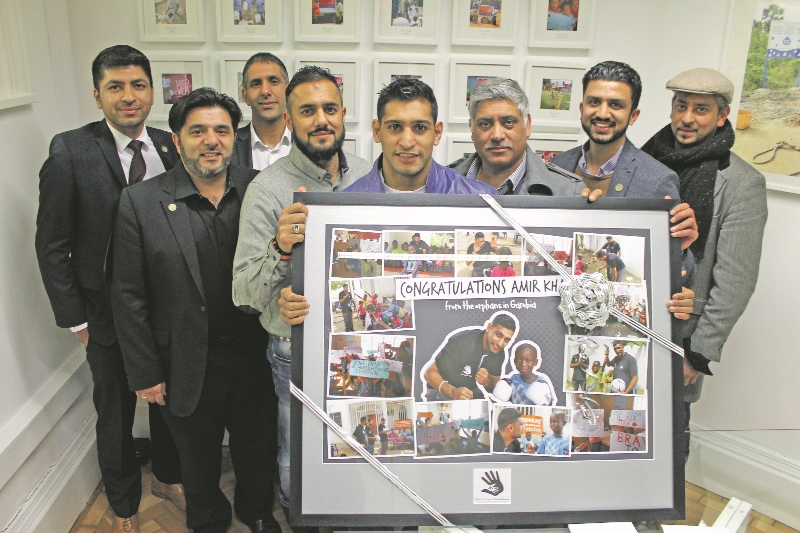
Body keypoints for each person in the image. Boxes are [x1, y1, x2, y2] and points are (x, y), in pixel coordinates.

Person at [111, 88, 279, 533]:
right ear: (176, 138)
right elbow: (127, 295)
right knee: (198, 459)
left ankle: (257, 512)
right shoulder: (140, 202)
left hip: (254, 354)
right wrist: (144, 372)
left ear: (234, 137)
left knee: (257, 447)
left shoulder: (260, 189)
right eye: (198, 130)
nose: (211, 140)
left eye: (222, 130)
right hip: (184, 360)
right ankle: (207, 520)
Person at [35, 45, 183, 533]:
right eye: (115, 87)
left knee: (168, 404)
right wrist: (76, 320)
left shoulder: (170, 146)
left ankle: (167, 475)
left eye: (138, 85)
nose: (128, 96)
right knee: (116, 414)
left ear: (152, 91)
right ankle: (123, 506)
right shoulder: (70, 150)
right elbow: (52, 242)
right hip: (105, 317)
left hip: (165, 309)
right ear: (97, 94)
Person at [232, 65, 372, 524]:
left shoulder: (372, 178)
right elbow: (245, 293)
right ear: (289, 121)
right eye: (307, 111)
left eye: (329, 108)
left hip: (365, 345)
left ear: (344, 114)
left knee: (365, 435)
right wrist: (281, 248)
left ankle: (357, 512)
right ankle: (302, 519)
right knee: (301, 449)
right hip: (297, 348)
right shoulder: (267, 189)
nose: (321, 120)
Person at [640, 67, 768, 459]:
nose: (687, 119)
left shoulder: (742, 183)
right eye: (681, 107)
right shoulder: (644, 161)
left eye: (701, 109)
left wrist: (697, 353)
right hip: (630, 319)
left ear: (722, 116)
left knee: (669, 437)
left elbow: (735, 280)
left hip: (682, 335)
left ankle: (655, 518)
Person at [342, 78, 497, 195]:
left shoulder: (479, 200)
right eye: (395, 127)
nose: (407, 142)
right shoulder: (344, 205)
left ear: (437, 134)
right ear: (377, 131)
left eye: (420, 127)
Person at [552, 61, 680, 200]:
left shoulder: (657, 179)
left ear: (633, 116)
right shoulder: (558, 165)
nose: (603, 114)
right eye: (594, 102)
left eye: (615, 105)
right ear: (582, 110)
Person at [448, 77, 584, 196]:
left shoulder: (568, 191)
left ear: (527, 125)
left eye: (508, 122)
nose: (497, 135)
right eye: (485, 124)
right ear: (472, 128)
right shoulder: (442, 181)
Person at [422, 312, 517, 401]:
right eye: (498, 335)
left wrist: (487, 382)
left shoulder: (499, 353)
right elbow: (429, 373)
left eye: (507, 340)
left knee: (486, 412)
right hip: (441, 389)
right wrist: (452, 392)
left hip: (469, 391)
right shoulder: (462, 341)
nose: (500, 344)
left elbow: (494, 387)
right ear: (489, 328)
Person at [231, 53, 292, 171]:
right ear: (245, 96)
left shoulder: (308, 142)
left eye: (273, 81)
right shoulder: (229, 146)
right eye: (256, 84)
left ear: (288, 91)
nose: (265, 91)